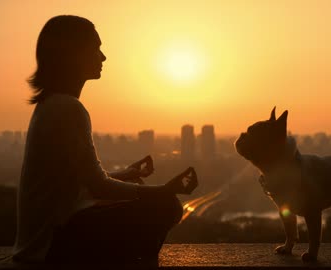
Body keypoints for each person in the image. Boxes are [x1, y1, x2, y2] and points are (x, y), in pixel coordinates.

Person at [12, 15, 198, 264]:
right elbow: (98, 186)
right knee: (167, 206)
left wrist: (127, 173)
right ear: (74, 55)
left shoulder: (53, 104)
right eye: (96, 49)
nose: (103, 57)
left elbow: (80, 180)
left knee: (145, 191)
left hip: (47, 237)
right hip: (52, 244)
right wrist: (164, 190)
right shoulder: (68, 108)